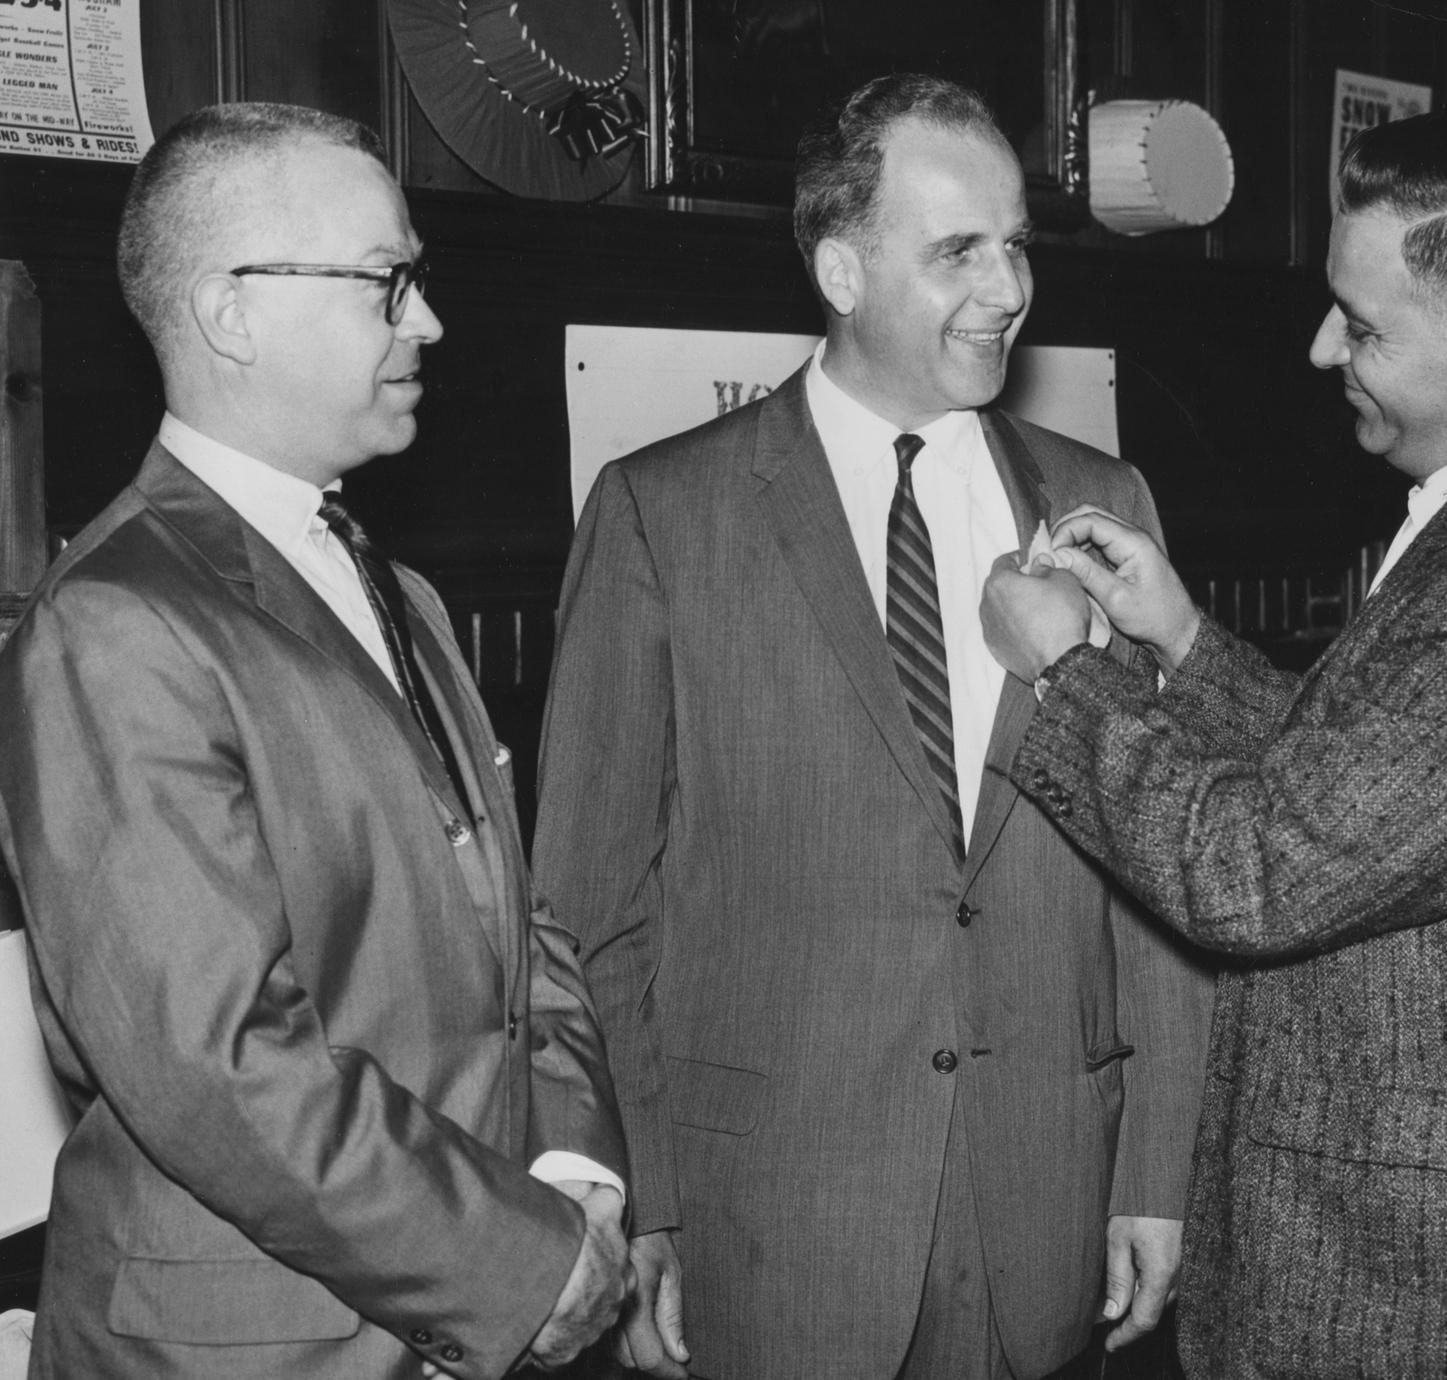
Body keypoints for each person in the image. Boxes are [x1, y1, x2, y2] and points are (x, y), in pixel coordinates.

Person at [981, 112, 1447, 1377]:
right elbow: (1368, 791)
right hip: (1417, 1265)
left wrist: (1069, 674)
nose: (1323, 349)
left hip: (1444, 1295)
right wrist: (1185, 641)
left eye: (1361, 327)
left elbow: (1258, 873)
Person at [533, 73, 1212, 1380]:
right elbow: (590, 902)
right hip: (769, 1230)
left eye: (1017, 244)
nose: (1009, 287)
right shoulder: (662, 518)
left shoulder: (1100, 502)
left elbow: (1161, 865)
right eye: (958, 249)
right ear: (841, 270)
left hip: (1045, 1202)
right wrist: (647, 1197)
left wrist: (1157, 1167)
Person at [0, 103, 632, 1380]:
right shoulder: (118, 621)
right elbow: (218, 1065)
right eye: (385, 282)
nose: (428, 321)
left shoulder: (394, 591)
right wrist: (516, 1260)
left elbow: (520, 926)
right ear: (233, 313)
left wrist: (572, 1174)